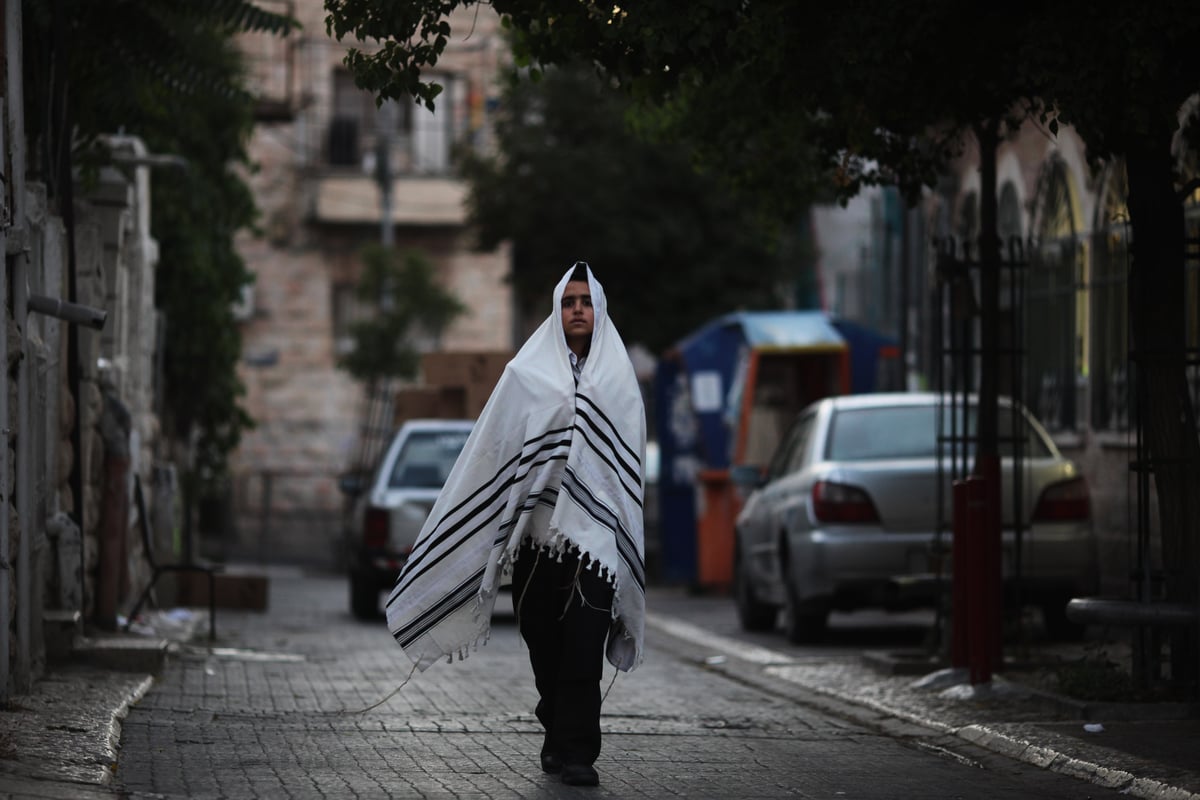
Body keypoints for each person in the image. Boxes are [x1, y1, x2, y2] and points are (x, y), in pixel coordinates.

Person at [384, 261, 647, 788]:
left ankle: (578, 754)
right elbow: (494, 454)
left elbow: (626, 472)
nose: (577, 310)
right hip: (535, 541)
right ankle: (556, 723)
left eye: (586, 302)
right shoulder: (525, 377)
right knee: (544, 643)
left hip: (594, 546)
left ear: (599, 311)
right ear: (557, 310)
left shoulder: (620, 383)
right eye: (569, 302)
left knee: (582, 647)